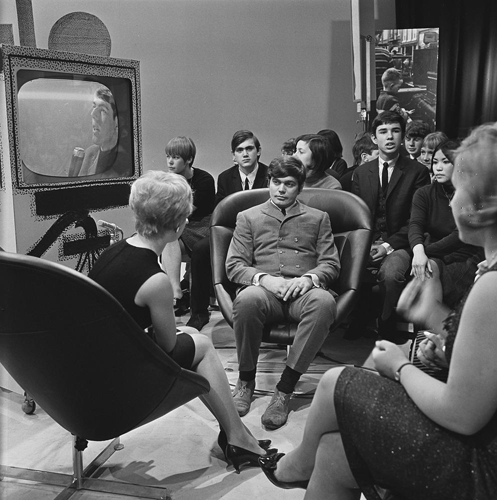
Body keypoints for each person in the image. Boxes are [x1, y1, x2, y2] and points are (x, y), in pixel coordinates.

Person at [258, 121, 497, 500]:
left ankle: (296, 466)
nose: (450, 202)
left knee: (336, 381)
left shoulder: (492, 286)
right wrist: (434, 316)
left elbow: (463, 415)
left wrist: (399, 366)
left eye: (458, 190)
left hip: (481, 465)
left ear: (482, 205)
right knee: (332, 452)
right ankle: (301, 465)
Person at [89, 170, 274, 472]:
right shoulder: (155, 280)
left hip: (100, 361)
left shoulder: (114, 251)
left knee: (190, 332)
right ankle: (238, 438)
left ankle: (236, 435)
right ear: (177, 226)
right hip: (122, 379)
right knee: (203, 346)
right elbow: (167, 346)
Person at [226, 156, 340, 430]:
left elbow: (331, 263)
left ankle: (284, 389)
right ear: (269, 182)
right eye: (276, 182)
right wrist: (264, 279)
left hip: (302, 293)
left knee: (324, 302)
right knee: (247, 299)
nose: (281, 189)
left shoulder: (318, 218)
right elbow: (234, 265)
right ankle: (245, 380)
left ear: (299, 187)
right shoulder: (248, 217)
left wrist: (309, 279)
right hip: (265, 293)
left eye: (289, 184)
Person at [349, 111, 430, 341]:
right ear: (374, 138)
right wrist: (367, 245)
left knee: (392, 274)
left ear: (402, 136)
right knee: (342, 265)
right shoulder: (361, 173)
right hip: (368, 241)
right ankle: (356, 318)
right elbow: (357, 217)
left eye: (395, 131)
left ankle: (386, 325)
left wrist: (386, 246)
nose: (390, 137)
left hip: (401, 242)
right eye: (383, 132)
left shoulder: (417, 172)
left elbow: (416, 220)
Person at [186, 130, 269, 331]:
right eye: (240, 150)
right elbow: (221, 211)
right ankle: (199, 312)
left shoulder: (269, 174)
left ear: (258, 151)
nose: (245, 154)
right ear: (233, 156)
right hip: (234, 232)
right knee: (200, 250)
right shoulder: (225, 178)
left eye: (249, 148)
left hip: (264, 232)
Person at [161, 136, 215, 318]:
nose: (170, 161)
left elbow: (187, 211)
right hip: (178, 226)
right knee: (166, 236)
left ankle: (175, 292)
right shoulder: (167, 181)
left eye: (175, 157)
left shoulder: (204, 180)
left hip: (203, 226)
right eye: (168, 156)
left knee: (169, 235)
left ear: (189, 159)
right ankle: (175, 291)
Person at [78, 86, 132, 178]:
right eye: (94, 106)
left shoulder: (125, 163)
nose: (93, 114)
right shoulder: (90, 153)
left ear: (117, 122)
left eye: (103, 110)